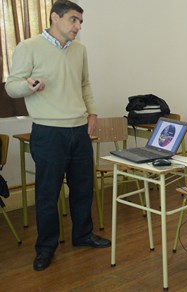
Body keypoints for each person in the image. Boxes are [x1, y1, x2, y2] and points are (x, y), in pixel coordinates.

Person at [5, 0, 110, 272]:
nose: (78, 26)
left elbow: (85, 83)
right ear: (55, 17)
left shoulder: (80, 50)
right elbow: (12, 87)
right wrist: (28, 85)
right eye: (74, 20)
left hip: (79, 129)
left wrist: (93, 113)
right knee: (48, 194)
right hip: (48, 131)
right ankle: (46, 248)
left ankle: (83, 235)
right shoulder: (28, 47)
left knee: (83, 188)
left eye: (80, 22)